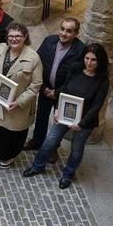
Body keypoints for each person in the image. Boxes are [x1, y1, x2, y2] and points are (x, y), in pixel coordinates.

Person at [23, 43, 110, 189]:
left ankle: (68, 174)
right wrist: (57, 109)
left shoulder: (102, 81)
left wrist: (81, 124)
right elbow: (64, 91)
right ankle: (38, 166)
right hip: (64, 114)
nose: (88, 62)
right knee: (50, 140)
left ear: (100, 61)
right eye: (87, 58)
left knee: (76, 149)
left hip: (84, 122)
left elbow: (96, 107)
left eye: (93, 60)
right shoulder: (75, 69)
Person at [0, 22, 43, 168]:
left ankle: (7, 156)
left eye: (18, 36)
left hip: (16, 105)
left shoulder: (34, 58)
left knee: (11, 133)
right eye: (11, 36)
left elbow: (35, 86)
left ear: (25, 37)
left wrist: (19, 102)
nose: (14, 39)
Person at [26, 17, 85, 154]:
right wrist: (43, 88)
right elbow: (37, 62)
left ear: (76, 34)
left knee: (58, 123)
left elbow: (76, 78)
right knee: (41, 117)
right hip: (45, 89)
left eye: (69, 31)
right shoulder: (49, 41)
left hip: (64, 94)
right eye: (62, 29)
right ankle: (37, 141)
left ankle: (52, 150)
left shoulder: (80, 50)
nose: (64, 33)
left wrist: (57, 92)